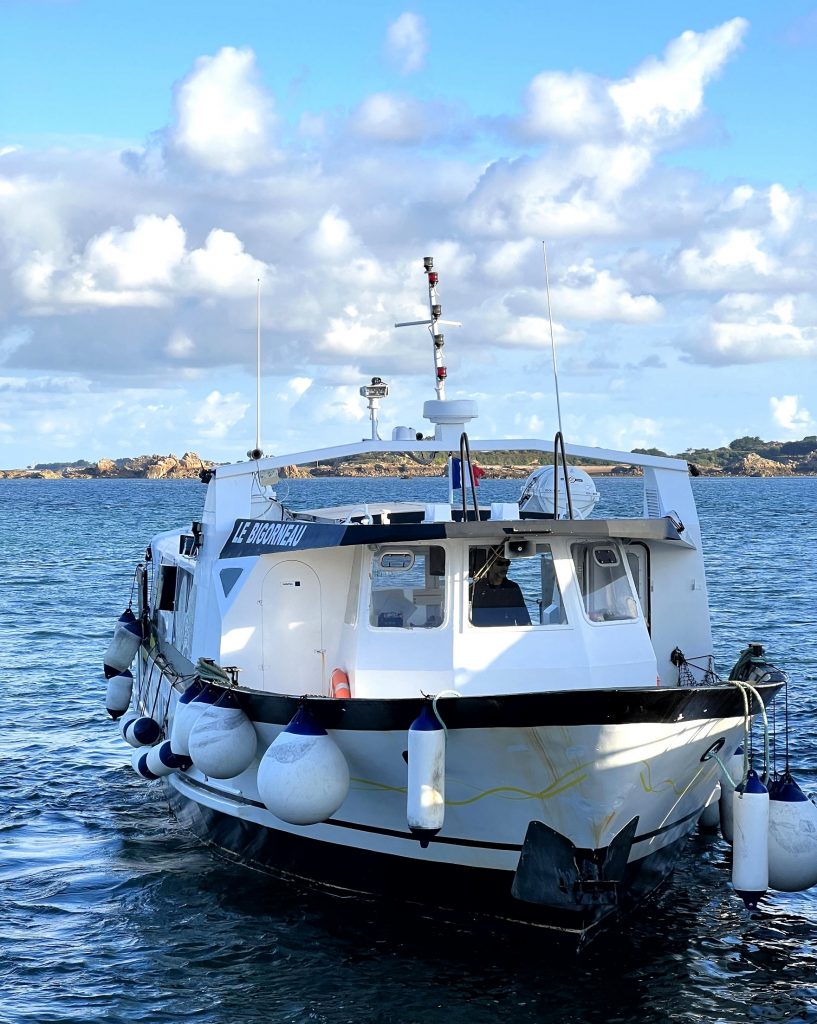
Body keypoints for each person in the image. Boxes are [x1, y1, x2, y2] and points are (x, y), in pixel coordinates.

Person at [471, 556, 531, 626]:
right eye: (500, 563)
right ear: (489, 565)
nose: (505, 567)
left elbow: (524, 620)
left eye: (507, 563)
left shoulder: (513, 588)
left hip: (507, 634)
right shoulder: (476, 588)